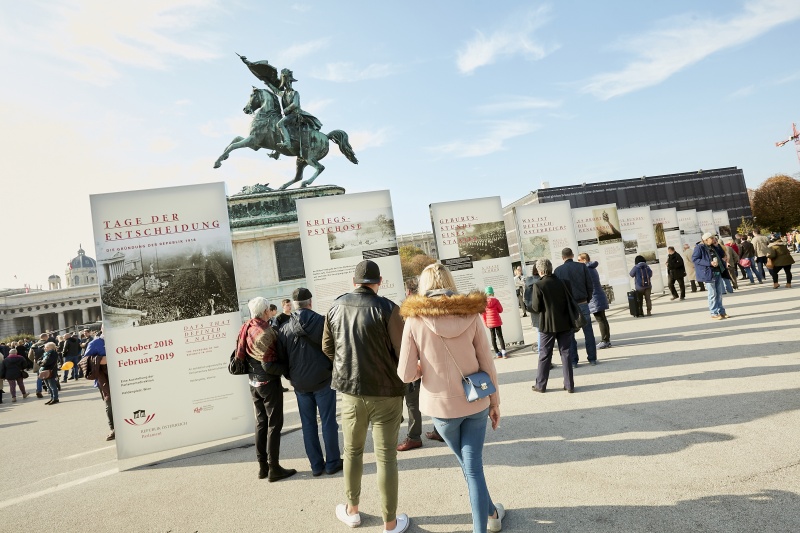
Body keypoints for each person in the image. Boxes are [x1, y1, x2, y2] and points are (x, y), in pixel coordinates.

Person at [397, 263, 504, 533]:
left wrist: (425, 368)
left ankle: (489, 517)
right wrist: (495, 402)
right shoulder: (471, 315)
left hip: (441, 408)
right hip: (476, 401)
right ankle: (490, 513)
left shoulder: (414, 319)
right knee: (473, 468)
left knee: (470, 468)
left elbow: (406, 373)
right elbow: (487, 363)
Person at [322, 260, 409, 533]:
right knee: (385, 458)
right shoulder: (388, 308)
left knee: (352, 452)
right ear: (379, 281)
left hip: (350, 392)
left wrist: (346, 368)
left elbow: (327, 347)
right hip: (386, 392)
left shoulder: (335, 307)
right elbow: (402, 351)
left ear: (354, 281)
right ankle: (390, 523)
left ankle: (353, 511)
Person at [276, 287, 343, 476]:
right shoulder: (322, 322)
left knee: (308, 425)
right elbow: (334, 348)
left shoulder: (284, 328)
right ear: (310, 302)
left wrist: (292, 377)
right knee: (329, 422)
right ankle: (332, 462)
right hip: (322, 379)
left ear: (293, 305)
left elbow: (283, 359)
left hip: (300, 384)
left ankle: (316, 466)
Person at [234, 296, 296, 482]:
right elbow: (269, 366)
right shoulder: (265, 331)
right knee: (274, 425)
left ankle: (262, 468)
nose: (271, 311)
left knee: (261, 423)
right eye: (269, 309)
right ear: (265, 312)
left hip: (253, 382)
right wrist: (287, 371)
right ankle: (274, 467)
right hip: (268, 383)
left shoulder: (247, 327)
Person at [530, 258, 577, 395]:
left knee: (545, 354)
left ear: (540, 271)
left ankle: (541, 385)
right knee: (566, 353)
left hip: (547, 325)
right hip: (565, 322)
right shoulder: (564, 283)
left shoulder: (538, 285)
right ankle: (569, 385)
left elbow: (536, 307)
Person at [554, 248, 597, 367]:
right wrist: (587, 299)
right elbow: (590, 285)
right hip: (582, 302)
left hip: (568, 306)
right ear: (572, 255)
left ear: (562, 257)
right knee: (588, 332)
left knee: (570, 334)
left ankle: (573, 361)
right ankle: (592, 358)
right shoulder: (582, 267)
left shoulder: (558, 271)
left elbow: (558, 291)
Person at [82, 330, 115, 440]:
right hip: (104, 379)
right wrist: (100, 360)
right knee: (110, 404)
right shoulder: (95, 343)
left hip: (123, 377)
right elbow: (84, 361)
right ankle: (114, 429)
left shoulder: (121, 338)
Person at [692, 233, 729, 320]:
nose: (713, 239)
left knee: (719, 293)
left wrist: (717, 246)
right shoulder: (699, 247)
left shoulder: (714, 246)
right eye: (711, 238)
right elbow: (695, 259)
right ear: (706, 239)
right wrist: (709, 263)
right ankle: (714, 312)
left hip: (718, 271)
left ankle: (722, 312)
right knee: (712, 294)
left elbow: (722, 255)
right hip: (708, 273)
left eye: (713, 238)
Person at [578, 253, 611, 349]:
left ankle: (605, 341)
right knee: (603, 319)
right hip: (598, 296)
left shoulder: (587, 269)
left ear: (584, 260)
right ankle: (606, 340)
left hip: (594, 297)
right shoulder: (592, 268)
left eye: (579, 260)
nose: (578, 262)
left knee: (600, 319)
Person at [481, 287, 506, 359]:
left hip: (490, 323)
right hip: (497, 321)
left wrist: (486, 323)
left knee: (493, 337)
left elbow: (483, 315)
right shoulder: (496, 301)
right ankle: (504, 352)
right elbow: (501, 310)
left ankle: (497, 353)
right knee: (500, 336)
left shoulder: (484, 303)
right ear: (492, 293)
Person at [523, 264, 542, 352]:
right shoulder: (542, 280)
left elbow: (524, 296)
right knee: (545, 332)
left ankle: (540, 351)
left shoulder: (528, 280)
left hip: (533, 308)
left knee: (539, 331)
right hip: (543, 308)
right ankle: (543, 353)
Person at [28, 333, 49, 398]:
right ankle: (49, 389)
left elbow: (29, 356)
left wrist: (35, 361)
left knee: (39, 377)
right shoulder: (48, 344)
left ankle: (38, 390)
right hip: (47, 362)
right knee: (48, 376)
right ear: (46, 337)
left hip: (37, 363)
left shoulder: (34, 345)